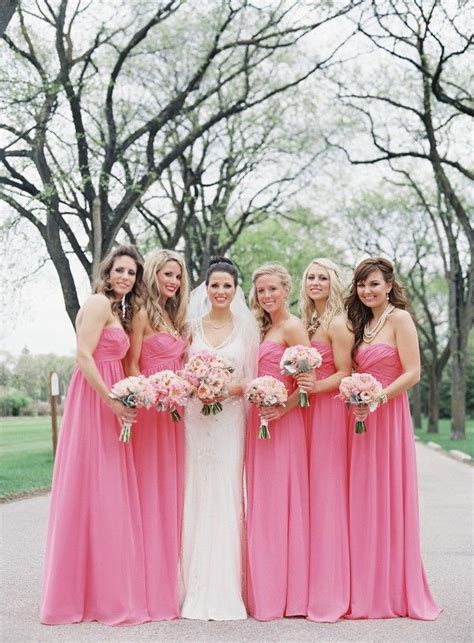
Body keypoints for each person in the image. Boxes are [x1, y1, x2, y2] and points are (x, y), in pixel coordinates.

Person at [41, 246, 150, 625]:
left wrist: (131, 394)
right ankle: (74, 596)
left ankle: (105, 588)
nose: (125, 277)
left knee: (108, 490)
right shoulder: (98, 303)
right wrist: (110, 399)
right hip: (95, 398)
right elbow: (83, 355)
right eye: (120, 270)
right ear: (108, 271)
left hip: (115, 397)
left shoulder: (122, 310)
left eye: (132, 273)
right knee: (92, 484)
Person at [345, 256, 441, 620]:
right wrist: (356, 395)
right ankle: (363, 583)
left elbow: (414, 372)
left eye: (373, 284)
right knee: (362, 497)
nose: (367, 291)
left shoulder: (400, 319)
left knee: (385, 495)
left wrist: (378, 398)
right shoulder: (363, 324)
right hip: (360, 418)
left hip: (388, 416)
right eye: (361, 284)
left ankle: (390, 588)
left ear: (388, 285)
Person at [180, 257, 259, 621]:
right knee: (196, 490)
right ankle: (188, 584)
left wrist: (227, 389)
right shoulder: (190, 326)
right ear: (206, 288)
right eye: (215, 285)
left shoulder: (248, 329)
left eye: (227, 285)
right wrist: (198, 386)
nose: (221, 291)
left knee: (226, 492)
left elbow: (253, 380)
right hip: (196, 421)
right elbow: (181, 371)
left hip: (229, 421)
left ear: (236, 289)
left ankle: (227, 587)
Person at [124, 249, 189, 620]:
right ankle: (145, 591)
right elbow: (133, 364)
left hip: (175, 414)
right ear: (153, 274)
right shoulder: (144, 313)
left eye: (178, 276)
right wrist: (153, 393)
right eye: (167, 274)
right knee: (150, 495)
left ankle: (164, 588)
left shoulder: (170, 314)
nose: (173, 282)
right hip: (152, 411)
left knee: (169, 495)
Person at [245, 263, 310, 621]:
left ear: (286, 289)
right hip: (260, 422)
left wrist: (280, 410)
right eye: (261, 291)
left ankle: (290, 596)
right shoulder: (263, 327)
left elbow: (307, 385)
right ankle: (264, 590)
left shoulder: (293, 327)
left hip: (284, 425)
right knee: (263, 502)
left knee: (283, 503)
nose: (267, 296)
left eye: (272, 289)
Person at [297, 258, 353, 622]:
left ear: (333, 282)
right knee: (310, 494)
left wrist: (316, 387)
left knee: (326, 493)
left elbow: (346, 372)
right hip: (305, 413)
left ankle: (331, 588)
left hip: (329, 412)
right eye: (310, 277)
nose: (315, 282)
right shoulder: (306, 322)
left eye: (322, 277)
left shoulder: (339, 323)